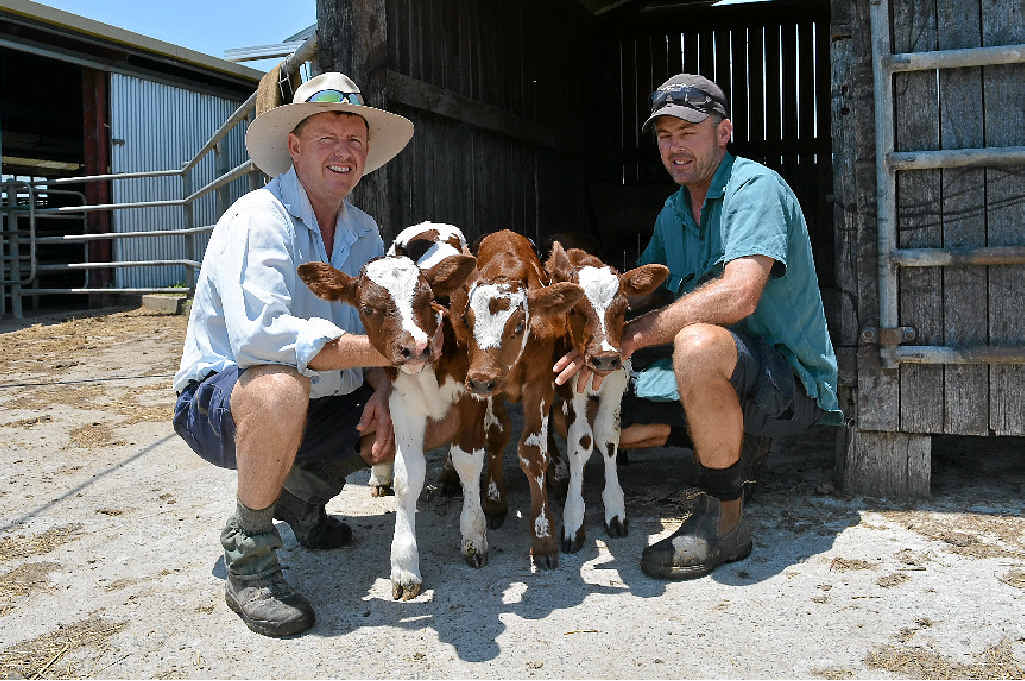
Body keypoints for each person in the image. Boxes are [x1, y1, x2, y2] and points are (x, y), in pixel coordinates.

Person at [554, 74, 843, 580]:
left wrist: (636, 334)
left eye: (688, 131)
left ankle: (724, 517)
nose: (674, 146)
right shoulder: (675, 209)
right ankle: (734, 445)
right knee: (594, 402)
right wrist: (583, 305)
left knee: (697, 341)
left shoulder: (754, 189)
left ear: (723, 133)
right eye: (664, 136)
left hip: (786, 381)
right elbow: (635, 290)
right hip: (729, 378)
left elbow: (739, 294)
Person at [172, 72, 414, 637]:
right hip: (225, 400)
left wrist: (384, 385)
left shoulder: (365, 232)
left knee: (420, 404)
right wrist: (391, 351)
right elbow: (261, 340)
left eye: (355, 140)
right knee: (281, 384)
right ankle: (250, 557)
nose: (343, 152)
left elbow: (370, 324)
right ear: (295, 147)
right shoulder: (258, 217)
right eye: (326, 138)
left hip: (322, 395)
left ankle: (301, 500)